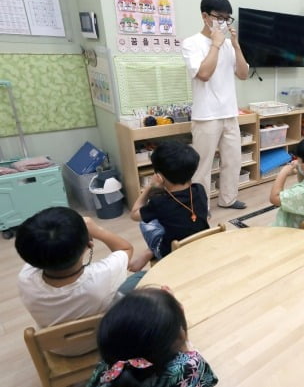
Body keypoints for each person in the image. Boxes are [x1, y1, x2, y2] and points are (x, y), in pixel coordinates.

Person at [15, 207, 135, 355]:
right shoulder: (105, 274)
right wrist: (96, 230)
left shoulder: (25, 278)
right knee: (139, 277)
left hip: (56, 348)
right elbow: (126, 248)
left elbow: (40, 251)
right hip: (101, 340)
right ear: (89, 245)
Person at [182, 0, 249, 210]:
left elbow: (243, 74)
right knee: (202, 166)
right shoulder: (191, 43)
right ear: (205, 16)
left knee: (233, 162)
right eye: (219, 17)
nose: (223, 22)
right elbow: (204, 73)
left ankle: (227, 199)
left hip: (230, 113)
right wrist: (216, 45)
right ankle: (201, 208)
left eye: (227, 18)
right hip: (206, 116)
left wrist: (236, 45)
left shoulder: (229, 45)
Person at [87, 288, 218, 387]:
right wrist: (184, 343)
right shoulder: (188, 367)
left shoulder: (111, 366)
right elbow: (207, 380)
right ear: (179, 335)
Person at [130, 141, 209, 271]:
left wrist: (150, 186)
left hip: (170, 253)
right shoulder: (199, 189)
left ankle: (152, 251)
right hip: (200, 242)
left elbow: (134, 214)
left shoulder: (159, 202)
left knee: (144, 222)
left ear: (159, 177)